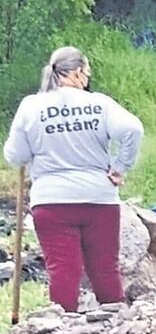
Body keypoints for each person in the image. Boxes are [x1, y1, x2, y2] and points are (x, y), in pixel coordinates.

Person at [3, 47, 144, 311]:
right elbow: (133, 129)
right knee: (104, 268)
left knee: (63, 271)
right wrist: (120, 167)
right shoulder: (99, 103)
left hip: (51, 201)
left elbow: (16, 156)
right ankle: (117, 325)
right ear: (78, 73)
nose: (87, 79)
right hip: (99, 198)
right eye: (87, 73)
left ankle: (61, 329)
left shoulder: (31, 106)